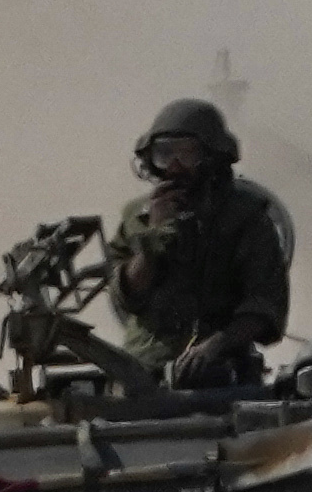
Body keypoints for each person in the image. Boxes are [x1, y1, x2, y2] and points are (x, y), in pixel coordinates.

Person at [105, 100, 296, 389]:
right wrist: (155, 236)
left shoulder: (247, 219)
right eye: (165, 154)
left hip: (223, 377)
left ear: (212, 156)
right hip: (142, 374)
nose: (175, 166)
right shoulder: (137, 218)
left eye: (187, 153)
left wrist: (216, 344)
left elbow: (265, 307)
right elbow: (127, 296)